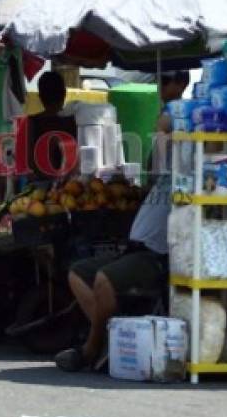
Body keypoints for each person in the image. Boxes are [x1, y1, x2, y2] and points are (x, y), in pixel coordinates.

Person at [55, 70, 189, 373]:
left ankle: (91, 347)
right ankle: (110, 338)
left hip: (153, 255)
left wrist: (171, 121)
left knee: (103, 279)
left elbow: (164, 125)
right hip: (133, 245)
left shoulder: (189, 182)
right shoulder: (163, 177)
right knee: (77, 273)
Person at [26, 71, 77, 181]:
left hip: (41, 185)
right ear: (64, 94)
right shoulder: (73, 120)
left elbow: (29, 161)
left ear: (40, 96)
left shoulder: (33, 122)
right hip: (71, 185)